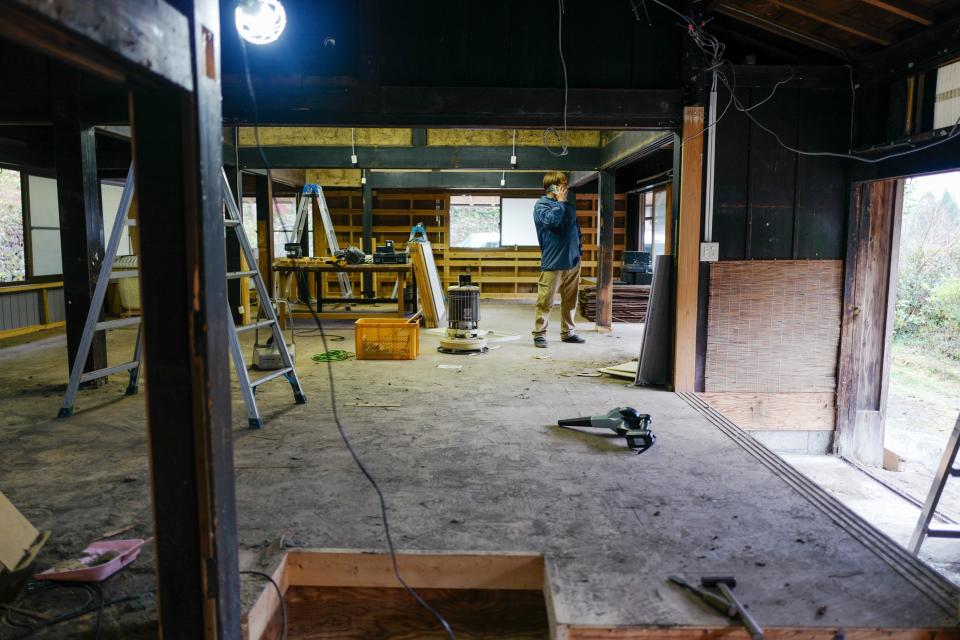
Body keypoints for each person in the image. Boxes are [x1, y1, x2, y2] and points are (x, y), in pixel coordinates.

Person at [532, 171, 584, 348]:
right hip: (553, 261)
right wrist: (560, 202)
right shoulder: (541, 206)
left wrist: (579, 252)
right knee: (545, 300)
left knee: (570, 300)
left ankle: (568, 332)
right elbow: (551, 221)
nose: (566, 187)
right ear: (553, 186)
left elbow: (576, 230)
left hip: (573, 261)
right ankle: (539, 334)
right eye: (562, 184)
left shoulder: (569, 206)